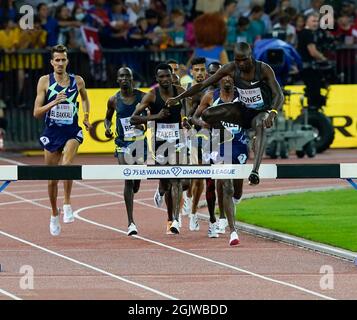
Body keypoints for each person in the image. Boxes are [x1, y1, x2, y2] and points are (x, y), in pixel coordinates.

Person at [167, 42, 284, 185]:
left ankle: (255, 171)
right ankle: (224, 135)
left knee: (260, 123)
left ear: (250, 56)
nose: (240, 63)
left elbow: (279, 95)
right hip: (242, 111)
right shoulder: (231, 68)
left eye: (244, 60)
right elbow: (202, 85)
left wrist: (272, 113)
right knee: (208, 114)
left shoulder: (264, 69)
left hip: (259, 113)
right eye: (237, 60)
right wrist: (179, 98)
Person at [33, 44, 91, 236]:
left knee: (67, 164)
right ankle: (53, 213)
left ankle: (67, 203)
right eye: (56, 60)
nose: (60, 63)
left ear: (67, 61)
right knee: (52, 179)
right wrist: (54, 102)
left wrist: (86, 115)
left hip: (71, 130)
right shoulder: (44, 81)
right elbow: (36, 113)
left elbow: (84, 98)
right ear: (51, 62)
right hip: (51, 132)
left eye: (63, 59)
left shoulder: (78, 81)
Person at [192, 74, 249, 245]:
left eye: (230, 77)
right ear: (218, 80)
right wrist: (203, 124)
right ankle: (233, 231)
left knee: (236, 191)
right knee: (227, 186)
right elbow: (195, 117)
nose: (227, 80)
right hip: (218, 144)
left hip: (239, 144)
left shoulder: (242, 95)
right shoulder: (210, 96)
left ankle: (233, 202)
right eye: (223, 77)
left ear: (234, 80)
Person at [130, 63, 187, 235]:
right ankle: (161, 190)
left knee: (176, 177)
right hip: (159, 142)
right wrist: (156, 116)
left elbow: (185, 109)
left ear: (172, 76)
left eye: (167, 76)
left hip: (177, 140)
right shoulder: (152, 96)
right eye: (161, 77)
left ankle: (175, 219)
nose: (164, 79)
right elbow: (134, 118)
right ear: (157, 79)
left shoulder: (180, 91)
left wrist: (185, 119)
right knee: (166, 181)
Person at [104, 67, 146, 236]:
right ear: (117, 79)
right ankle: (131, 222)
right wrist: (108, 128)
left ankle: (137, 181)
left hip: (139, 142)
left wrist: (143, 124)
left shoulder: (142, 97)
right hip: (122, 143)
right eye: (121, 76)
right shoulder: (113, 100)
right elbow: (107, 118)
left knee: (136, 181)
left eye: (127, 76)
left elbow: (152, 115)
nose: (124, 79)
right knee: (128, 177)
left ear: (132, 78)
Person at [185, 57, 218, 237]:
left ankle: (200, 211)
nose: (199, 73)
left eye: (202, 70)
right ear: (192, 71)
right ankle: (193, 213)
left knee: (212, 180)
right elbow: (188, 116)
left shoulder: (214, 89)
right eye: (196, 70)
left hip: (214, 139)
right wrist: (191, 121)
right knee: (198, 179)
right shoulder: (192, 91)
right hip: (195, 137)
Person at [297, 12, 328, 109]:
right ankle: (313, 110)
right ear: (306, 22)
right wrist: (324, 58)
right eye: (313, 21)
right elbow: (313, 52)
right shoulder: (308, 33)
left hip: (306, 67)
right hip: (308, 69)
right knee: (314, 90)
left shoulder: (304, 33)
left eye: (317, 21)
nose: (316, 23)